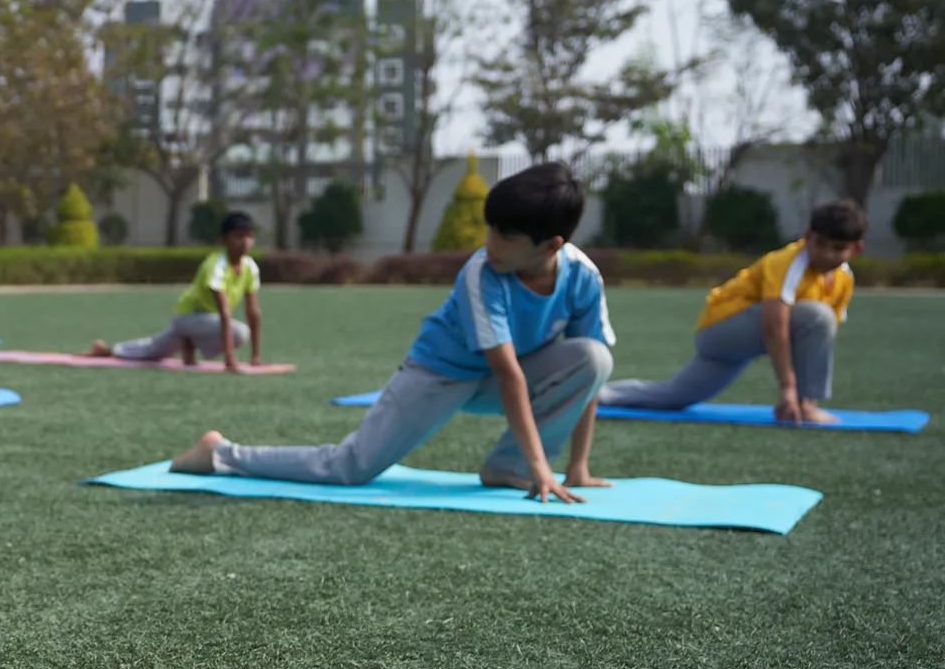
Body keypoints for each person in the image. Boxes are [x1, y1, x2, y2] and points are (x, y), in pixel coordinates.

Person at [171, 163, 615, 503]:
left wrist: (577, 465)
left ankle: (508, 466)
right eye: (490, 229)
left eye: (507, 236)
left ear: (552, 245)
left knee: (594, 357)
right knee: (351, 466)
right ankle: (219, 453)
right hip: (440, 373)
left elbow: (587, 376)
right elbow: (508, 376)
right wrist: (544, 465)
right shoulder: (483, 272)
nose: (491, 243)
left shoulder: (583, 277)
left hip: (505, 377)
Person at [600, 200, 865, 424]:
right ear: (807, 237)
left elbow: (813, 343)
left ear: (856, 249)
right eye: (819, 244)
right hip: (723, 329)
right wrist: (789, 389)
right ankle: (807, 403)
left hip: (738, 340)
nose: (826, 254)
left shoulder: (844, 280)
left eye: (838, 248)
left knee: (673, 396)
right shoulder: (788, 262)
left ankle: (595, 394)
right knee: (817, 315)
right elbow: (775, 324)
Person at [87, 211, 264, 371]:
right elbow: (224, 312)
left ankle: (107, 350)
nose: (245, 242)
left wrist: (256, 356)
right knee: (240, 333)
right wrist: (230, 358)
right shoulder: (216, 265)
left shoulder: (250, 267)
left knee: (153, 349)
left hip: (207, 323)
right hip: (188, 316)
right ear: (224, 240)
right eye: (238, 236)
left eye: (249, 237)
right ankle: (190, 342)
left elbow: (253, 311)